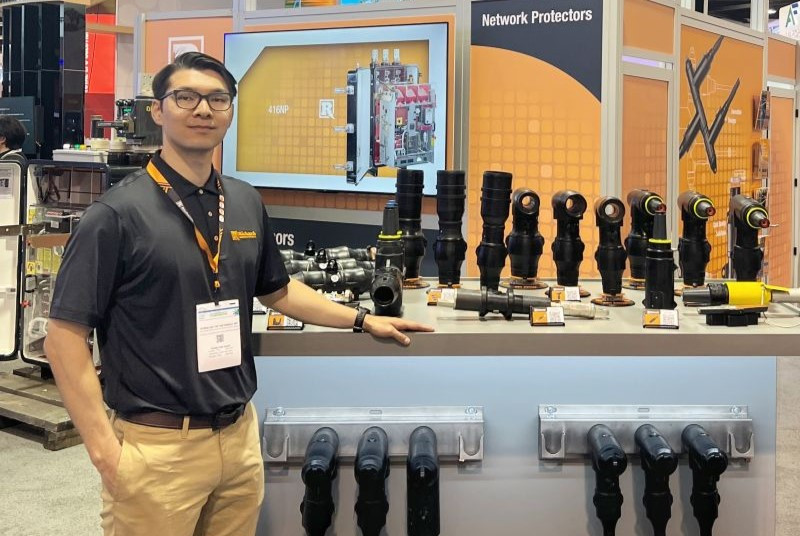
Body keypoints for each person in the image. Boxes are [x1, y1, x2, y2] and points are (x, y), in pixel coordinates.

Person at [43, 52, 433, 536]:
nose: (202, 110)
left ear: (230, 111)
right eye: (186, 97)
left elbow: (279, 291)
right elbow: (63, 338)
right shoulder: (116, 215)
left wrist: (361, 319)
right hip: (158, 446)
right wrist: (105, 452)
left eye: (217, 99)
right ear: (158, 110)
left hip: (238, 437)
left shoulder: (243, 200)